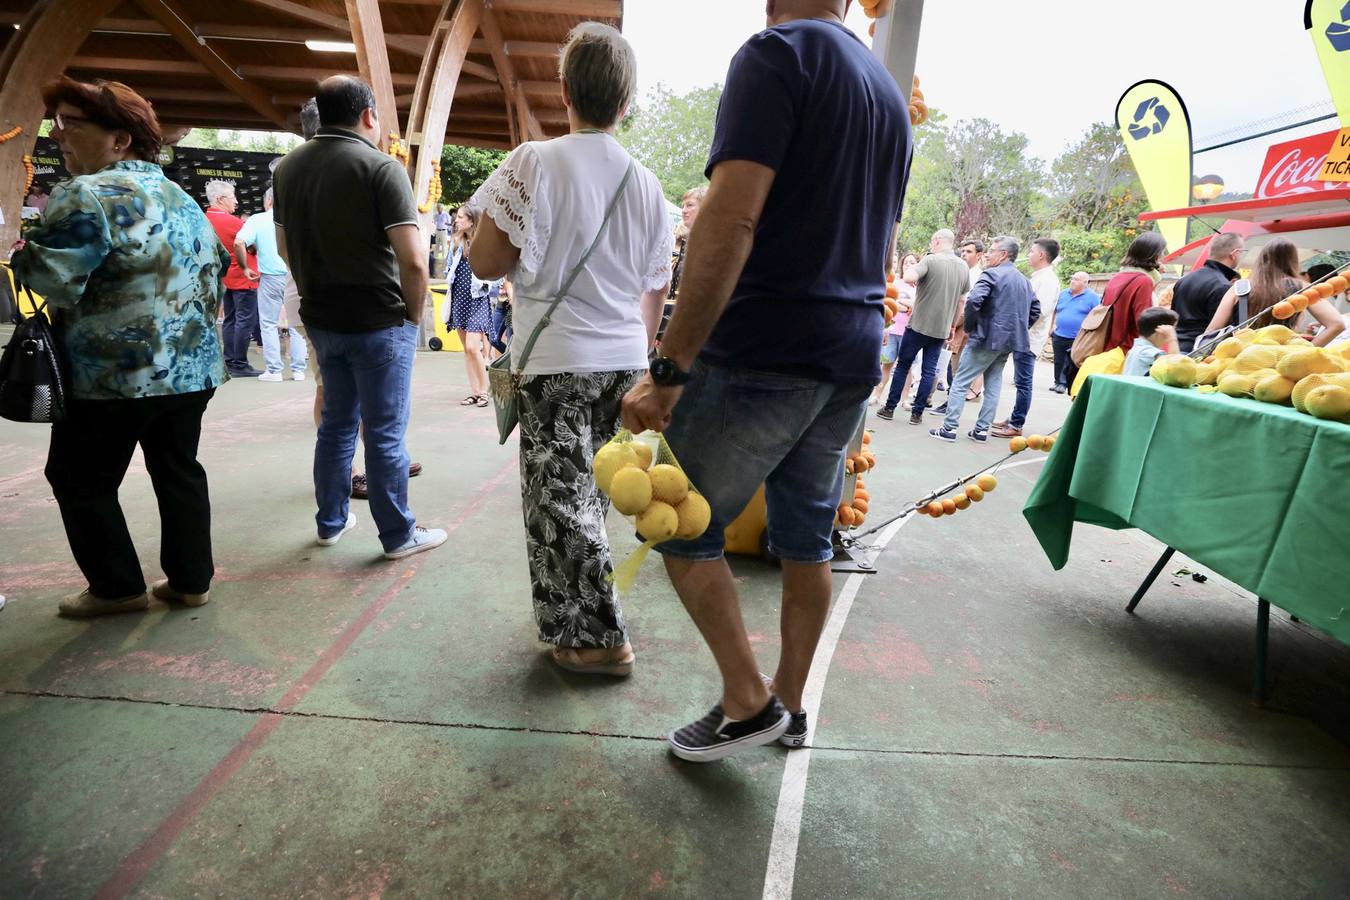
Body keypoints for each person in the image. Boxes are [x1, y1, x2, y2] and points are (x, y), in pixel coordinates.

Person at [621, 0, 909, 761]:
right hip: (852, 350)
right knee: (806, 538)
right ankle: (789, 701)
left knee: (673, 519)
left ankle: (747, 704)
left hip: (766, 344)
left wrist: (668, 368)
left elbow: (731, 217)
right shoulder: (883, 91)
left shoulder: (776, 55)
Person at [468, 23, 671, 677]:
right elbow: (654, 286)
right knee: (596, 496)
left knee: (561, 500)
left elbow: (486, 260)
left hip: (556, 358)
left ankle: (598, 639)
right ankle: (581, 617)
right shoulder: (647, 183)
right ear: (626, 99)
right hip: (622, 360)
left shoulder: (533, 161)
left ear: (564, 90)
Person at [12, 77, 226, 617]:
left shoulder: (87, 193)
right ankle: (190, 582)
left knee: (79, 478)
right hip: (190, 371)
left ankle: (116, 588)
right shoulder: (183, 198)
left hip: (112, 376)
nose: (58, 136)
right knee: (178, 470)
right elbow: (216, 270)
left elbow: (55, 281)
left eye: (72, 125)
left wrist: (24, 254)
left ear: (120, 139)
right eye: (55, 123)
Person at [273, 75, 446, 560]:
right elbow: (413, 260)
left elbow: (286, 247)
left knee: (336, 425)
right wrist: (412, 321)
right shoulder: (381, 168)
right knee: (386, 431)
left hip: (324, 320)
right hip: (379, 321)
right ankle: (397, 535)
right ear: (368, 115)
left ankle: (331, 521)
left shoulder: (286, 169)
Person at [930, 236, 1039, 444]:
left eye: (992, 250)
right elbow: (1035, 310)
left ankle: (949, 428)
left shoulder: (991, 274)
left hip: (986, 338)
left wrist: (970, 327)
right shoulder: (1024, 281)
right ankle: (981, 431)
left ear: (1004, 254)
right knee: (994, 383)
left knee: (961, 381)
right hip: (1009, 342)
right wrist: (1017, 329)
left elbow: (973, 301)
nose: (987, 254)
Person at [877, 229, 967, 423]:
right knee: (929, 370)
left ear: (936, 241)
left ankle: (889, 408)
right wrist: (952, 326)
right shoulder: (963, 266)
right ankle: (917, 414)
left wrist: (915, 265)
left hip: (918, 325)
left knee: (903, 366)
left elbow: (909, 277)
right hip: (941, 329)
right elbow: (962, 301)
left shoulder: (930, 260)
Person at [1204, 237, 1345, 347]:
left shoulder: (1240, 287)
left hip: (1237, 364)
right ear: (1293, 261)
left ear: (1262, 259)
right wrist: (1307, 351)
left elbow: (1212, 330)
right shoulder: (1302, 287)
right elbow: (1337, 324)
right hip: (1279, 368)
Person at [235, 187, 306, 382]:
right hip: (294, 276)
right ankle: (299, 369)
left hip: (270, 277)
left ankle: (274, 371)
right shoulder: (297, 217)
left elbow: (238, 242)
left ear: (267, 202)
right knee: (296, 322)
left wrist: (244, 268)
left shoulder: (257, 220)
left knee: (268, 323)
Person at [992, 238, 1057, 438]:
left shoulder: (1047, 280)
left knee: (1023, 382)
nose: (1028, 255)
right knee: (1020, 380)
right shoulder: (1038, 277)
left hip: (1029, 339)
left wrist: (1018, 328)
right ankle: (1014, 417)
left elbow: (1040, 311)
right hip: (1023, 336)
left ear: (1042, 255)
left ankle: (1017, 423)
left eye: (1031, 251)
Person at [204, 179, 261, 377]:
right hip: (243, 278)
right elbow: (253, 246)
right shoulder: (234, 222)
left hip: (224, 279)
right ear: (220, 199)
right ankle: (239, 364)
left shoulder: (204, 219)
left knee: (230, 320)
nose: (236, 202)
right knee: (244, 321)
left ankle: (230, 361)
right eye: (233, 197)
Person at [445, 206, 494, 407]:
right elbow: (449, 268)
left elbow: (494, 271)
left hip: (477, 299)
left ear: (472, 221)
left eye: (461, 217)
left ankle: (484, 391)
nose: (457, 221)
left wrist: (486, 285)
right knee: (467, 349)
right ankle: (474, 392)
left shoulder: (483, 244)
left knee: (474, 347)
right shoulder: (456, 243)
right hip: (459, 297)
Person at [1171, 232, 1244, 352]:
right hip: (1199, 353)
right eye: (1242, 252)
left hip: (1176, 348)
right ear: (1234, 254)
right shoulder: (1223, 286)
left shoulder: (1184, 280)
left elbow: (1173, 318)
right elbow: (1218, 331)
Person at [1099, 231, 1168, 354]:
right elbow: (1144, 323)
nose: (1163, 257)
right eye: (1161, 252)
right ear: (1154, 255)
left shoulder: (1118, 277)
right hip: (1129, 352)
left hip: (1110, 350)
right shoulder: (1143, 281)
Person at [870, 251, 916, 405]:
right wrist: (905, 306)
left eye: (912, 262)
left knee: (907, 367)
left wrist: (903, 305)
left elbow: (915, 306)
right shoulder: (895, 282)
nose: (908, 265)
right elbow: (889, 302)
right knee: (886, 364)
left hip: (909, 331)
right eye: (906, 262)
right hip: (892, 330)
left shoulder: (919, 287)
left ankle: (904, 399)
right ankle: (877, 395)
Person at [1049, 271, 1099, 393]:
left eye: (1076, 279)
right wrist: (1052, 326)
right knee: (1058, 360)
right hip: (1059, 334)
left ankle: (1064, 383)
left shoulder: (1092, 297)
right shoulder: (1063, 294)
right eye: (1072, 279)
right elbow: (1055, 311)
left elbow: (1097, 316)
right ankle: (1057, 382)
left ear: (1085, 283)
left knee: (1070, 361)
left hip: (1078, 337)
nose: (1072, 281)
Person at [669, 186, 707, 299]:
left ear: (706, 207)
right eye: (683, 206)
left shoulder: (711, 245)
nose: (683, 210)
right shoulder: (691, 243)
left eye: (689, 205)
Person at [1122, 307, 1179, 376]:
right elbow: (1175, 369)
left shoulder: (1137, 348)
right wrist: (1172, 339)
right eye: (1173, 330)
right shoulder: (1148, 352)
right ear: (1161, 331)